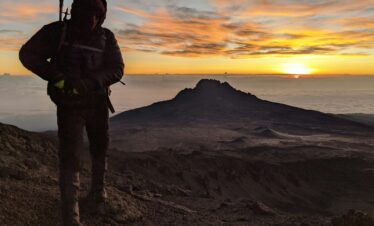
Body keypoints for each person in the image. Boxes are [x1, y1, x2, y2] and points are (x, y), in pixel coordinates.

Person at [19, 0, 124, 225]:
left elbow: (117, 69)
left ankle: (97, 195)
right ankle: (71, 216)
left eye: (96, 14)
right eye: (87, 12)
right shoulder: (58, 32)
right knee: (71, 156)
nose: (91, 19)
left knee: (100, 147)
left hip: (97, 102)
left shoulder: (106, 37)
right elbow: (27, 54)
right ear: (76, 11)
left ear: (102, 15)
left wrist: (90, 83)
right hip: (69, 105)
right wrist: (57, 77)